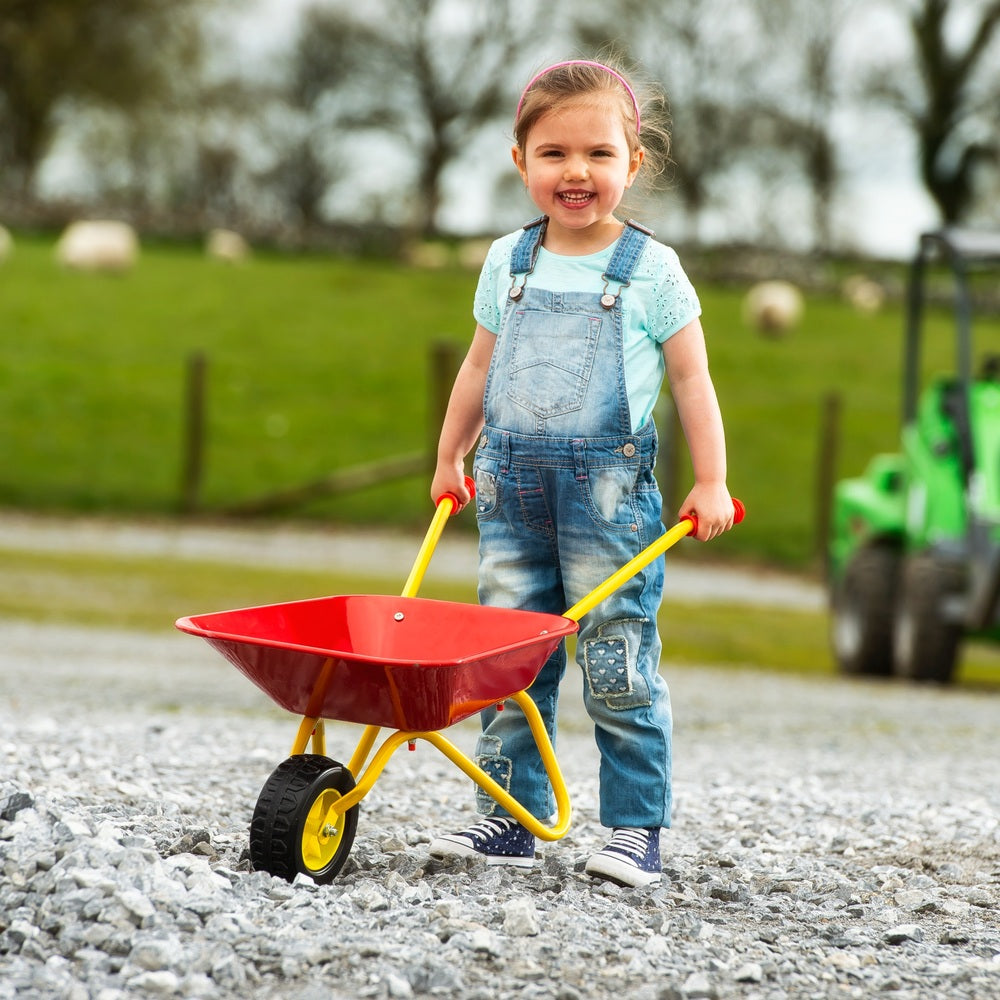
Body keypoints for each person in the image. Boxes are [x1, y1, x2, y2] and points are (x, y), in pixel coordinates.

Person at [427, 59, 734, 888]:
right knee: (508, 656)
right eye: (554, 153)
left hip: (609, 506)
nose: (576, 172)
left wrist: (710, 481)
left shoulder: (652, 270)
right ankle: (510, 816)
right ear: (520, 159)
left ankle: (635, 826)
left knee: (618, 658)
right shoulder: (507, 262)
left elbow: (691, 382)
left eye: (598, 154)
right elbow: (477, 369)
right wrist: (451, 453)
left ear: (633, 164)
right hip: (511, 495)